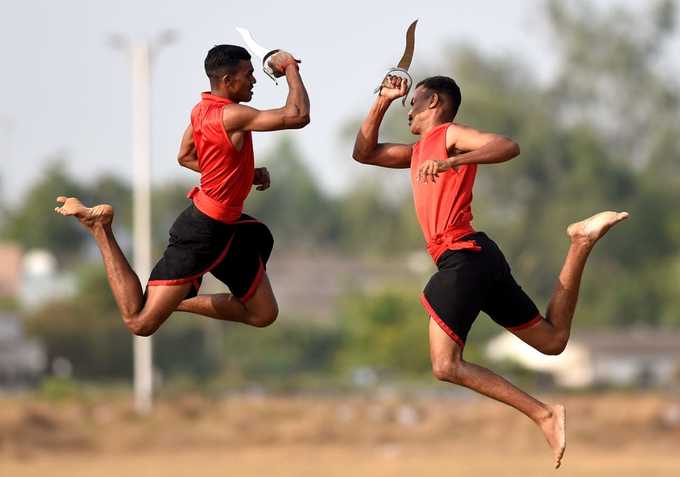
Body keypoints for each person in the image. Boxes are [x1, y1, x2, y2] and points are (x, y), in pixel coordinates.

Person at [352, 74, 628, 469]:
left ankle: (543, 414)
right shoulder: (417, 153)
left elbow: (506, 146)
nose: (407, 109)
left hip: (462, 256)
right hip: (478, 257)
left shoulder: (448, 135)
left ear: (434, 103)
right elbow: (364, 153)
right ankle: (581, 242)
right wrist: (381, 100)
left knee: (445, 364)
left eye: (413, 101)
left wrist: (453, 160)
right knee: (552, 342)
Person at [54, 44, 310, 336]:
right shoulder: (232, 115)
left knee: (264, 313)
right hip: (202, 231)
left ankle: (173, 302)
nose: (254, 81)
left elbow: (186, 156)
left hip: (228, 229)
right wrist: (290, 66)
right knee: (140, 323)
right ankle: (100, 227)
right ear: (227, 81)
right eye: (249, 75)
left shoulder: (201, 111)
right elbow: (297, 114)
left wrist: (245, 174)